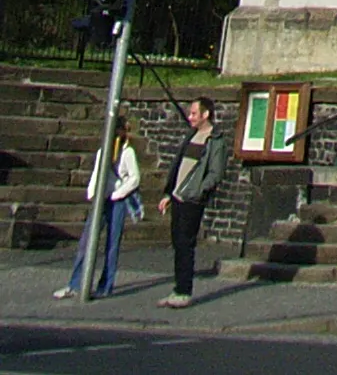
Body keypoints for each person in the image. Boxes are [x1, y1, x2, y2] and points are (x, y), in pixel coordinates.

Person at [52, 113, 140, 298]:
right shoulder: (104, 150)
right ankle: (75, 284)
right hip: (102, 198)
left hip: (117, 199)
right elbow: (97, 172)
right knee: (86, 241)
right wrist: (92, 192)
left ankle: (105, 285)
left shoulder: (127, 152)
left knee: (111, 243)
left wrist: (118, 194)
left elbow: (134, 178)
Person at [156, 96, 226, 306]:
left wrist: (198, 191)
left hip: (192, 200)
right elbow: (180, 167)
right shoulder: (191, 136)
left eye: (194, 113)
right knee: (178, 244)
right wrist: (170, 193)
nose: (190, 117)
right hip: (179, 197)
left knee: (186, 244)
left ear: (206, 114)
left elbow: (215, 172)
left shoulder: (215, 140)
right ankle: (178, 288)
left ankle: (184, 291)